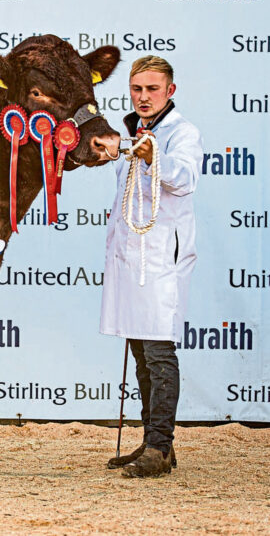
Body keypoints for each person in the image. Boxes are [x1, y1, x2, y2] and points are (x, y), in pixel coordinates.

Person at [99, 55, 203, 478]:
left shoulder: (183, 132)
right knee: (141, 351)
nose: (143, 97)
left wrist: (147, 156)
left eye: (152, 89)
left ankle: (161, 446)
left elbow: (185, 177)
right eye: (136, 89)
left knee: (160, 350)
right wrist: (118, 150)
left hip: (162, 256)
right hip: (134, 255)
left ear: (170, 91)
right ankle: (151, 442)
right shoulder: (136, 131)